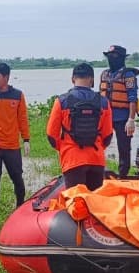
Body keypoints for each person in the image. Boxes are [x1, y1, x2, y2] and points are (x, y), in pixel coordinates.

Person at [46, 62, 113, 191]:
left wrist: (65, 147)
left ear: (72, 79)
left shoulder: (61, 101)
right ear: (92, 79)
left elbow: (51, 135)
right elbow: (108, 136)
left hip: (72, 159)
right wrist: (97, 147)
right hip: (96, 159)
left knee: (75, 204)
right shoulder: (103, 102)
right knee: (94, 204)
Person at [0, 62, 31, 207]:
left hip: (12, 146)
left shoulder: (17, 95)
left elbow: (22, 118)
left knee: (17, 177)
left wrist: (26, 139)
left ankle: (20, 205)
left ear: (6, 77)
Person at [98, 45, 139, 177]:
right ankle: (99, 171)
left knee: (124, 148)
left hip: (123, 118)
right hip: (105, 117)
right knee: (99, 144)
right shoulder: (104, 74)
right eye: (109, 56)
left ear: (121, 58)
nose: (111, 59)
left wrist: (131, 119)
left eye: (114, 56)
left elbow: (133, 98)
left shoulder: (128, 75)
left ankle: (123, 174)